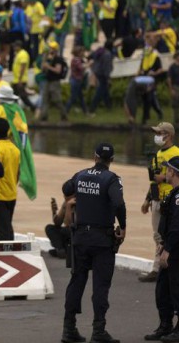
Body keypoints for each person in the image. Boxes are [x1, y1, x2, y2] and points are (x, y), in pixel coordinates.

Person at [61, 143, 126, 343]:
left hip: (80, 237)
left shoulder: (80, 175)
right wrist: (122, 227)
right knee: (100, 286)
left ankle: (68, 328)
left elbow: (66, 187)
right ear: (111, 160)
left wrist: (72, 202)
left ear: (94, 156)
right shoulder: (112, 179)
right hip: (101, 240)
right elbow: (118, 203)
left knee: (76, 282)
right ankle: (98, 331)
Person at [144, 156, 179, 343]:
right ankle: (165, 325)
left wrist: (167, 249)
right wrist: (162, 243)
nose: (164, 173)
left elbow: (178, 226)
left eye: (167, 170)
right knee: (163, 290)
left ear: (173, 172)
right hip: (171, 246)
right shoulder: (175, 192)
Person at [139, 122, 179, 283]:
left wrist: (165, 177)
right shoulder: (158, 154)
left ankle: (165, 266)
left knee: (170, 234)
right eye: (157, 132)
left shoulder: (177, 154)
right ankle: (157, 267)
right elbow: (154, 179)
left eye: (160, 132)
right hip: (157, 199)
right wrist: (148, 199)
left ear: (169, 135)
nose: (157, 135)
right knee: (157, 235)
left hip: (171, 199)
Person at [0, 118, 20, 241]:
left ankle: (6, 255)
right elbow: (17, 172)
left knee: (2, 229)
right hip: (12, 193)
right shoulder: (15, 149)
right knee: (7, 226)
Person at [39, 42, 68, 122]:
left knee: (57, 99)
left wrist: (49, 66)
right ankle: (44, 117)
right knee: (45, 99)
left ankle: (63, 115)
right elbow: (43, 69)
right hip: (48, 81)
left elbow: (58, 70)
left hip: (54, 82)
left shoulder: (58, 59)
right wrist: (44, 59)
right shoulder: (49, 59)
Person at [88, 40, 114, 115]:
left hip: (97, 71)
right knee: (100, 91)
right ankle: (92, 108)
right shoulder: (107, 54)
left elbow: (90, 56)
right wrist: (108, 77)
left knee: (105, 91)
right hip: (103, 74)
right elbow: (107, 67)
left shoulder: (100, 50)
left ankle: (109, 105)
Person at [10, 41, 35, 109]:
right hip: (17, 79)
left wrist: (20, 79)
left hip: (20, 79)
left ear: (19, 46)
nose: (14, 48)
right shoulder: (18, 54)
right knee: (14, 96)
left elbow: (23, 67)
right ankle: (15, 109)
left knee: (22, 96)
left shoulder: (23, 54)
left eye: (15, 46)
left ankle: (33, 108)